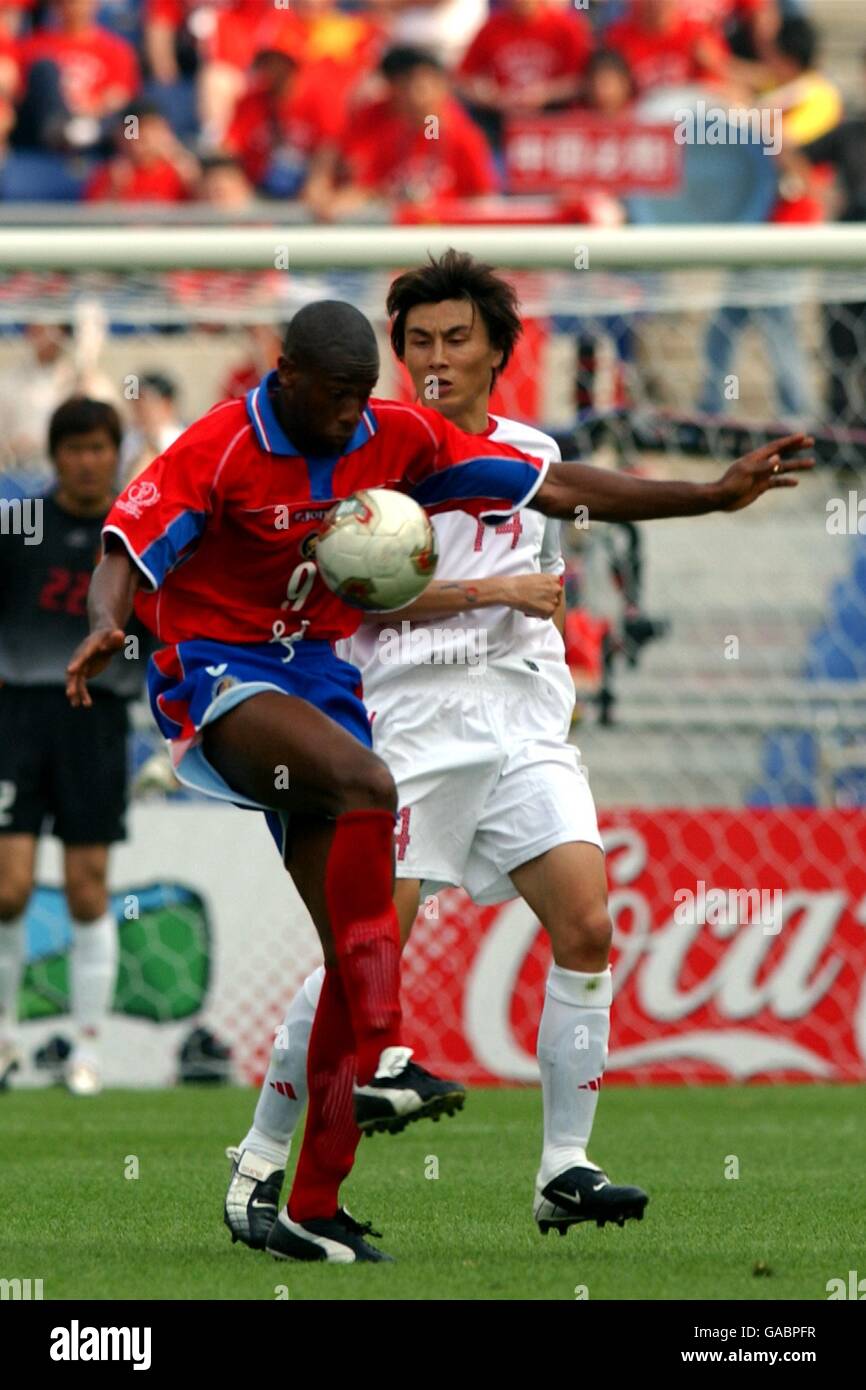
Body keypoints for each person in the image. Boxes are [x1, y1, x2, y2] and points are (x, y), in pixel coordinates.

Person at [67, 299, 812, 1262]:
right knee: (367, 790)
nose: (352, 413)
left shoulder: (400, 440)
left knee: (359, 949)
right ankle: (386, 1047)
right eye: (405, 350)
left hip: (345, 690)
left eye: (361, 394)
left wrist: (708, 495)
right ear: (283, 373)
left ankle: (296, 1193)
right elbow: (126, 544)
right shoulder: (219, 448)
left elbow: (563, 487)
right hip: (226, 673)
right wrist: (105, 621)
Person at [224, 249, 647, 1256]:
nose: (433, 359)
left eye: (454, 339)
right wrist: (485, 595)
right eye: (415, 343)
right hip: (402, 726)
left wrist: (548, 671)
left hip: (518, 728)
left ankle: (562, 1170)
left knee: (585, 922)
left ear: (498, 349)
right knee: (359, 959)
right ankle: (257, 1163)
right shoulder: (365, 460)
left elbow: (544, 586)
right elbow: (354, 594)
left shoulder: (534, 457)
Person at [0, 398, 147, 1095]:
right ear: (54, 455)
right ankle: (4, 1040)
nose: (88, 461)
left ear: (115, 453)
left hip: (99, 719)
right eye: (75, 448)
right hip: (16, 714)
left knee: (90, 890)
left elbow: (164, 629)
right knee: (8, 887)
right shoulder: (17, 523)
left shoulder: (139, 530)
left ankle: (87, 1053)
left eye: (100, 448)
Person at [304, 46, 497, 222]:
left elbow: (482, 199)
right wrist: (322, 187)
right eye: (398, 81)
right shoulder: (382, 121)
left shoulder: (462, 133)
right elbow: (362, 179)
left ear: (440, 84)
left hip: (446, 239)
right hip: (390, 235)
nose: (406, 91)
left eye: (415, 80)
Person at [457, 0, 592, 148]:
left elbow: (583, 81)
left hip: (555, 122)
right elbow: (462, 81)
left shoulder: (566, 27)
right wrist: (493, 97)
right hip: (503, 123)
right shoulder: (491, 28)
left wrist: (546, 93)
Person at [14, 0, 140, 155]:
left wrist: (88, 110)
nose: (76, 8)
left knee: (134, 117)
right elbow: (19, 94)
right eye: (68, 2)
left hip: (96, 124)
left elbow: (120, 97)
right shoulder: (33, 46)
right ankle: (65, 130)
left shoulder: (117, 49)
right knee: (44, 68)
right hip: (46, 128)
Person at [84, 102, 199, 203]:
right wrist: (114, 190)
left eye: (152, 130)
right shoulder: (110, 175)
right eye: (136, 131)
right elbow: (92, 219)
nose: (144, 138)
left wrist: (191, 179)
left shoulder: (181, 173)